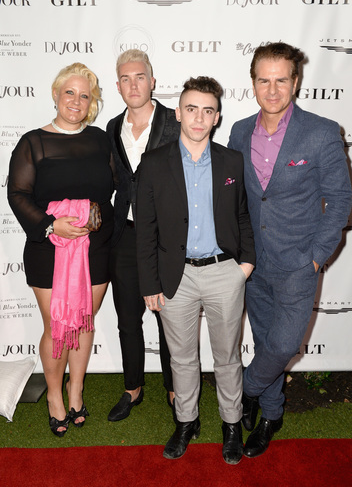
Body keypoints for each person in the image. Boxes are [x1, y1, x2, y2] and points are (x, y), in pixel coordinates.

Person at [228, 42, 351, 458]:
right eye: (265, 80)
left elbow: (340, 200)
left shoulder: (320, 132)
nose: (273, 89)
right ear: (253, 83)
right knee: (265, 341)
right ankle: (270, 414)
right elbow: (240, 198)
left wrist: (317, 256)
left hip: (299, 262)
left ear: (295, 82)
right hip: (252, 262)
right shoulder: (239, 131)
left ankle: (245, 389)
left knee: (282, 345)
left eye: (282, 79)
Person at [136, 76, 256, 464]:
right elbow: (146, 229)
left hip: (225, 272)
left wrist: (245, 265)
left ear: (217, 116)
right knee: (182, 358)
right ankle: (186, 422)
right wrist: (150, 283)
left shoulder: (230, 161)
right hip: (176, 276)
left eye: (207, 110)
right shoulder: (153, 163)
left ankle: (232, 424)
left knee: (228, 356)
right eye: (192, 109)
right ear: (178, 112)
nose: (199, 117)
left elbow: (242, 215)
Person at [8, 63, 116, 437]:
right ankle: (54, 396)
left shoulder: (102, 140)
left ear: (92, 102)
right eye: (69, 92)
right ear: (55, 94)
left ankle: (76, 391)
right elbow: (17, 194)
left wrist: (95, 217)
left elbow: (116, 191)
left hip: (96, 247)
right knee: (58, 326)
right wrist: (54, 225)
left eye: (84, 95)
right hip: (47, 248)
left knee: (83, 320)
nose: (76, 100)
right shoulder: (33, 142)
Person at [106, 49, 180, 422]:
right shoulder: (111, 127)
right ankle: (132, 388)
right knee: (126, 319)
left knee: (169, 320)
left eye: (139, 77)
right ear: (117, 85)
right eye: (125, 78)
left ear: (152, 81)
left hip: (165, 240)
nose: (133, 84)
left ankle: (175, 391)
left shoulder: (176, 122)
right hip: (125, 236)